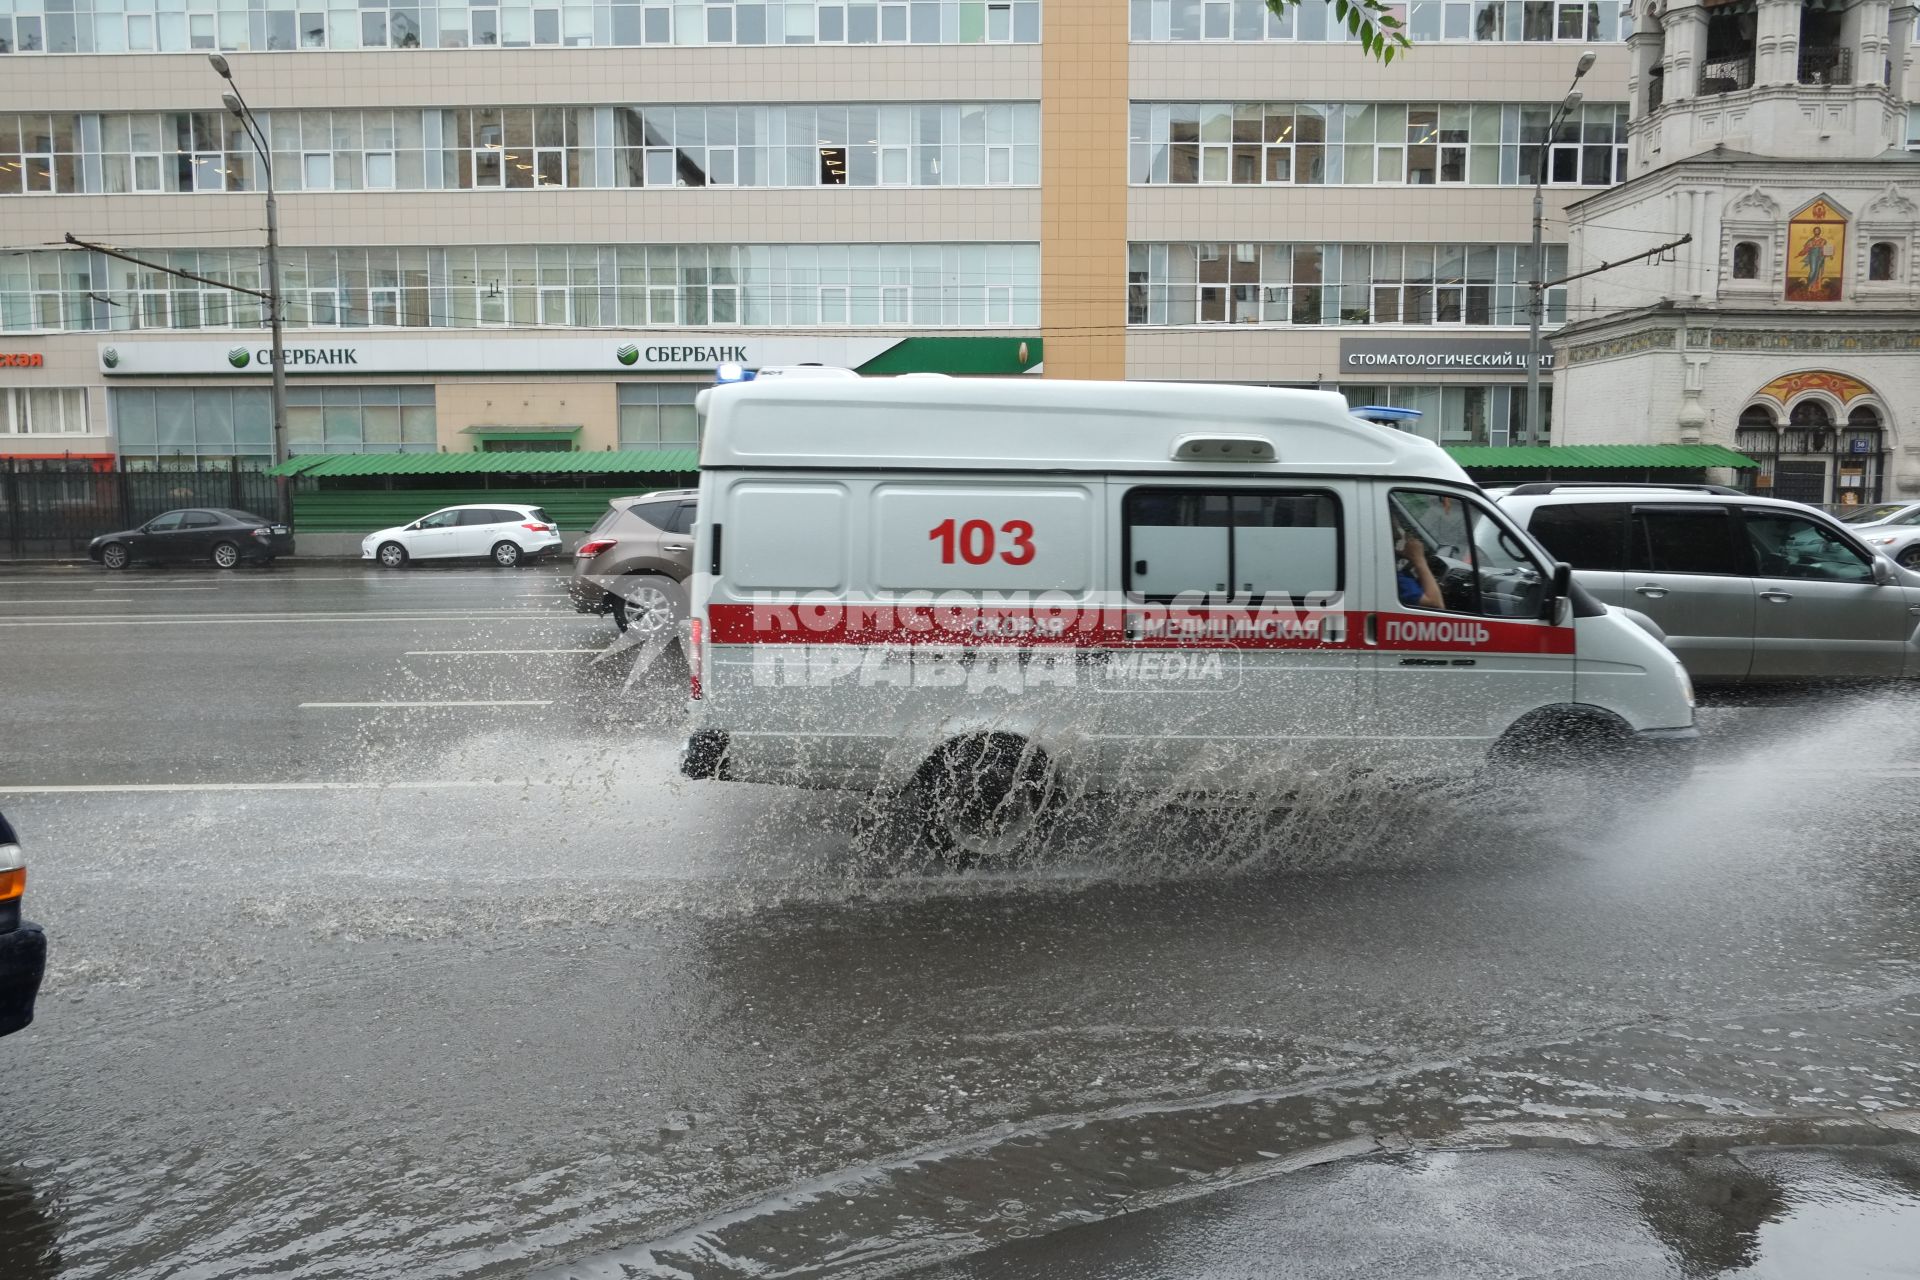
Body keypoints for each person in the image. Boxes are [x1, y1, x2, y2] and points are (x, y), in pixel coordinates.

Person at [1394, 522, 1446, 609]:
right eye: (1397, 528)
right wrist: (1419, 559)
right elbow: (1436, 604)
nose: (1401, 535)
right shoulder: (1397, 578)